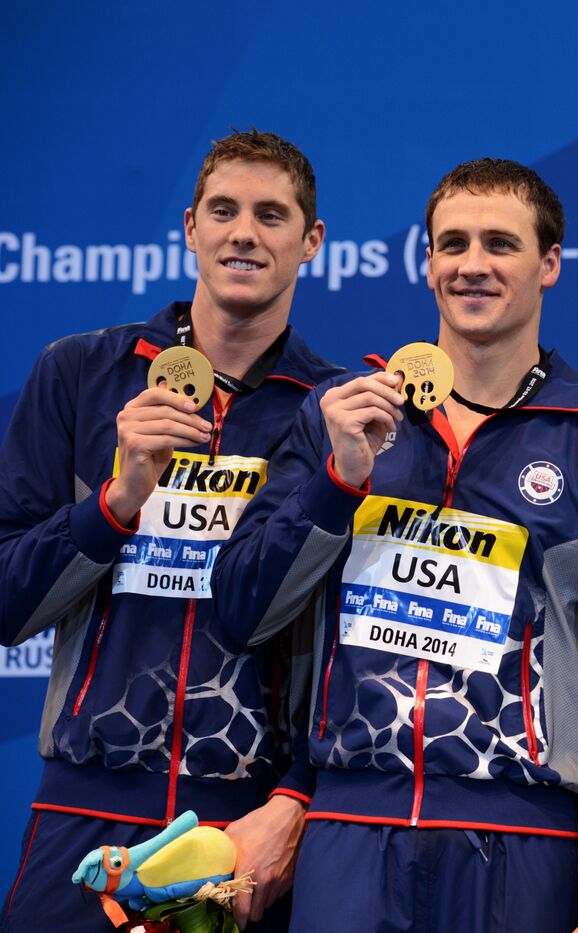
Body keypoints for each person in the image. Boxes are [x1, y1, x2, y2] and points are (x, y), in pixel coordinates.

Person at [212, 158, 578, 932]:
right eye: (453, 243)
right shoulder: (340, 418)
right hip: (349, 840)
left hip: (522, 843)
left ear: (550, 265)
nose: (472, 264)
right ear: (427, 263)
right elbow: (241, 613)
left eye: (500, 243)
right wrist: (338, 481)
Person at [0, 130, 341, 932]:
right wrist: (117, 500)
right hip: (88, 807)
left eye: (271, 215)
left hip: (242, 832)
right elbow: (7, 602)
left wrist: (293, 798)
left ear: (311, 242)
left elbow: (349, 649)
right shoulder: (81, 374)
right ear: (191, 227)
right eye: (223, 211)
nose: (243, 234)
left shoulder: (331, 413)